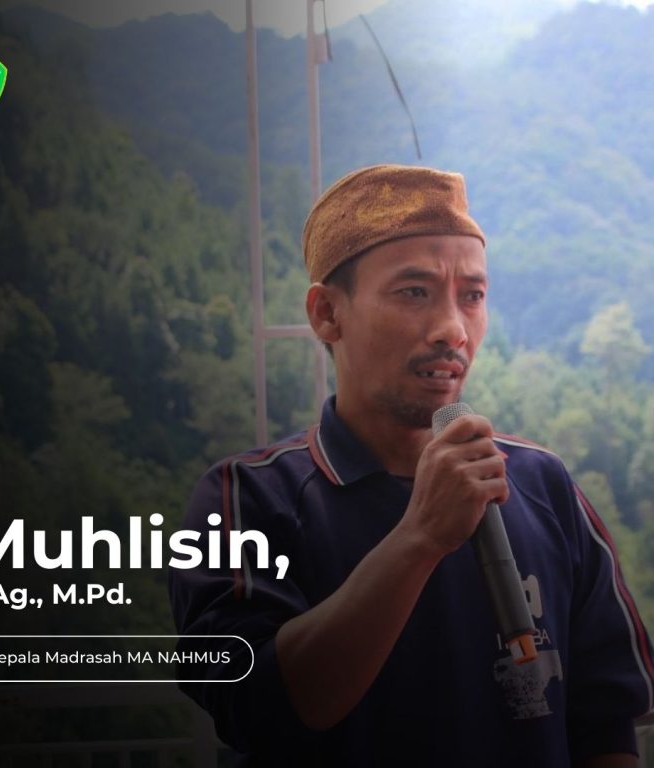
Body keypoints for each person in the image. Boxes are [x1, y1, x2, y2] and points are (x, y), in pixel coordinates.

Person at [168, 165, 654, 767]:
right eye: (414, 292)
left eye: (472, 296)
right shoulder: (246, 498)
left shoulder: (542, 484)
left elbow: (605, 723)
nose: (453, 330)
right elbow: (260, 708)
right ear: (327, 314)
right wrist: (420, 536)